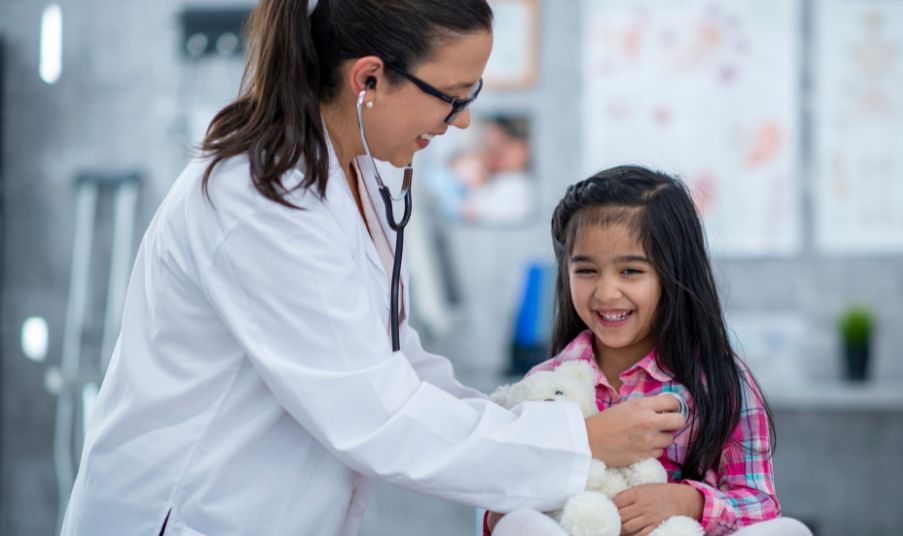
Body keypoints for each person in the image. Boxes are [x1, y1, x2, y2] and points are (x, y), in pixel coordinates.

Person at [59, 2, 687, 535]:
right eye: (452, 97)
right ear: (370, 80)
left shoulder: (353, 173)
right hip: (189, 514)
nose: (463, 119)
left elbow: (398, 365)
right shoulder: (258, 201)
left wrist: (539, 424)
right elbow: (376, 415)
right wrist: (579, 444)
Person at [488, 165, 785, 536]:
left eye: (630, 271)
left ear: (674, 275)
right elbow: (499, 507)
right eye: (586, 271)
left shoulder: (720, 382)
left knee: (788, 531)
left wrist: (689, 503)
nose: (606, 292)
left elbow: (760, 504)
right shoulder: (546, 384)